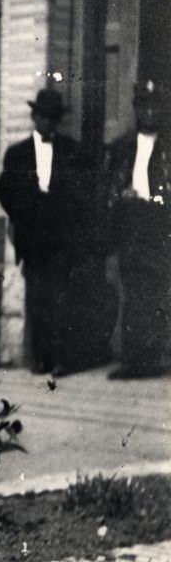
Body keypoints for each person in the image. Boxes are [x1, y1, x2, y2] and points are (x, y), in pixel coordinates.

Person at [0, 88, 89, 376]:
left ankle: (61, 359)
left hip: (61, 237)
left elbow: (81, 194)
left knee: (61, 297)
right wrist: (22, 216)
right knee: (37, 298)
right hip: (33, 236)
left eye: (53, 118)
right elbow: (5, 192)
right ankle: (40, 358)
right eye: (43, 117)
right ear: (34, 117)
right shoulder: (17, 154)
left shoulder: (71, 150)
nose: (48, 123)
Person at [105, 78, 171, 379]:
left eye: (154, 106)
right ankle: (133, 359)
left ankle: (155, 356)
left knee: (157, 290)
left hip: (159, 226)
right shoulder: (121, 148)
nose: (148, 113)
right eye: (143, 106)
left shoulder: (167, 148)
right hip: (131, 225)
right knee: (132, 291)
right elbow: (109, 189)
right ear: (135, 108)